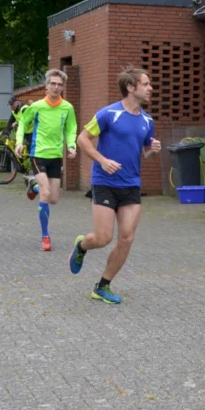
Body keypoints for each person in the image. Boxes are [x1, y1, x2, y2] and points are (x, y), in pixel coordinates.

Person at [68, 67, 161, 304]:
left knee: (127, 239)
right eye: (146, 84)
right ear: (131, 87)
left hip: (131, 184)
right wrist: (102, 160)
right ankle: (81, 245)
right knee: (103, 238)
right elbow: (82, 139)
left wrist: (152, 150)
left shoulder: (147, 120)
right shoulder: (109, 114)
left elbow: (144, 153)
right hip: (105, 182)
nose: (151, 88)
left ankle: (102, 286)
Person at [19, 70, 77, 251]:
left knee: (53, 198)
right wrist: (19, 142)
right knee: (45, 193)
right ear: (46, 85)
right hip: (38, 154)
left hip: (56, 156)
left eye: (60, 84)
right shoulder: (36, 106)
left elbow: (71, 128)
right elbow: (22, 123)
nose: (56, 87)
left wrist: (72, 145)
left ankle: (33, 187)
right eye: (53, 83)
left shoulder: (67, 108)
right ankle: (45, 237)